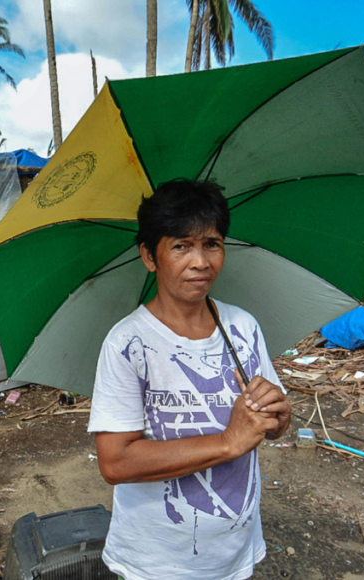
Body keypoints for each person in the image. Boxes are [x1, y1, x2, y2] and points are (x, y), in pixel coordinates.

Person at [88, 179, 292, 580]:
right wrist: (226, 442)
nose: (201, 262)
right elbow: (115, 462)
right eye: (181, 246)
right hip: (157, 561)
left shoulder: (243, 327)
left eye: (212, 244)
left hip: (235, 550)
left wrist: (279, 416)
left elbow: (271, 428)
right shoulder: (128, 343)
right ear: (149, 256)